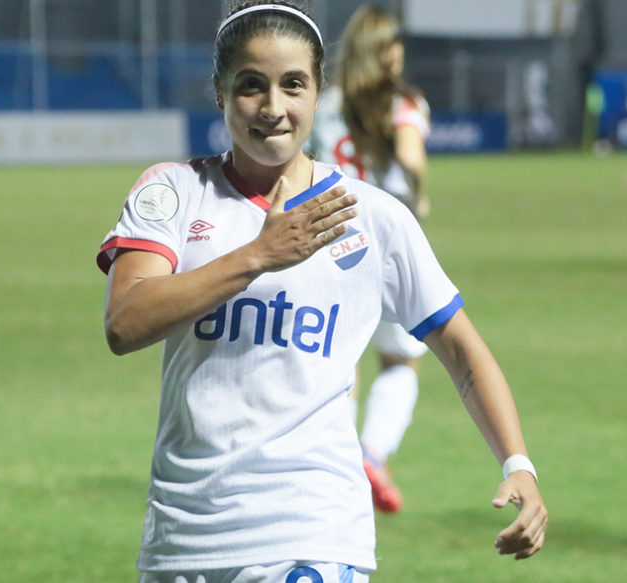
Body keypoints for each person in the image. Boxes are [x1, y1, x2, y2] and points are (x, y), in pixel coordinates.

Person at [97, 2, 547, 581]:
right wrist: (258, 254)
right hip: (183, 541)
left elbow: (463, 353)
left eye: (293, 85)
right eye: (251, 86)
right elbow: (125, 323)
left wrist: (519, 463)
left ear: (317, 92)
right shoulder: (176, 192)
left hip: (313, 536)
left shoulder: (374, 217)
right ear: (220, 91)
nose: (273, 108)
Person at [308, 5, 431, 514]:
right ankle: (372, 455)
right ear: (385, 51)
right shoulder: (401, 104)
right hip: (385, 248)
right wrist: (420, 194)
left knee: (343, 358)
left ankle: (333, 462)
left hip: (327, 242)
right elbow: (411, 158)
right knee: (400, 360)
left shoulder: (326, 102)